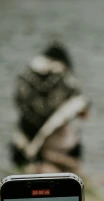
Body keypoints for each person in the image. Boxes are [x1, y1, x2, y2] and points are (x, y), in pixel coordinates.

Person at [10, 41, 90, 174]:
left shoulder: (26, 76)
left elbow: (19, 103)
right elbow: (82, 111)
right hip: (57, 144)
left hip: (25, 138)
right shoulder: (66, 79)